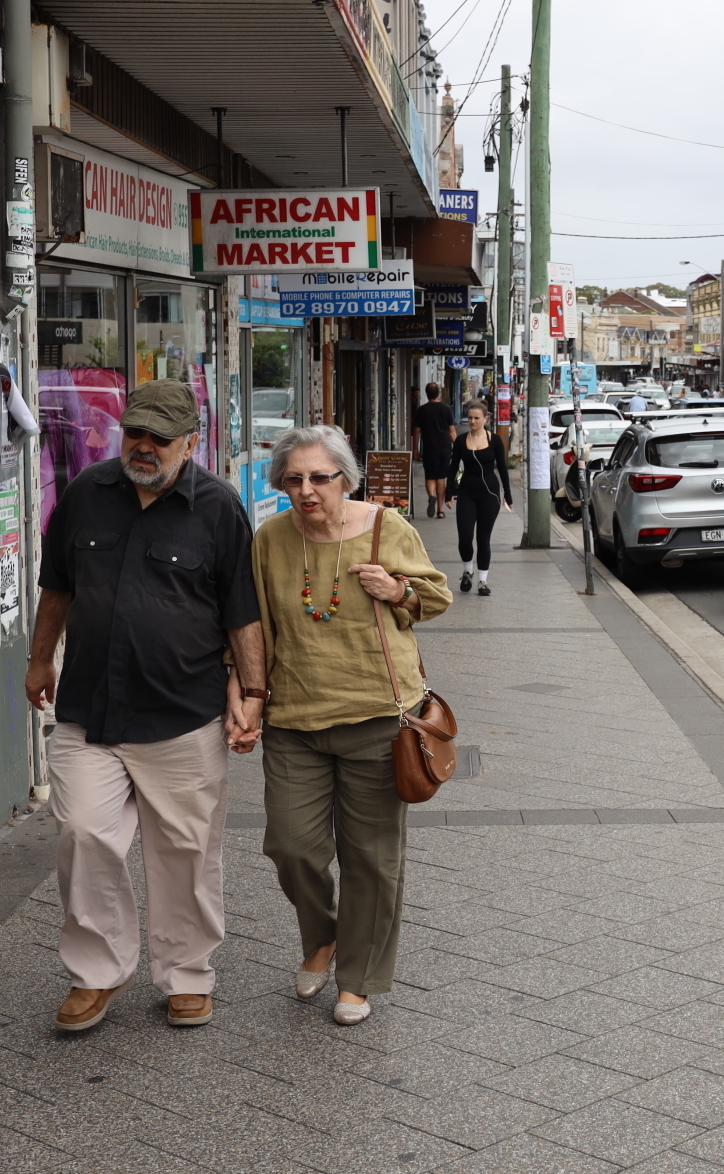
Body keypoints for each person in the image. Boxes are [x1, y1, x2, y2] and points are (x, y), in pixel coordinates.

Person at [26, 380, 262, 1033]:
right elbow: (56, 588)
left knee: (184, 851)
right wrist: (40, 657)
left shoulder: (219, 509)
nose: (145, 446)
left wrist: (252, 691)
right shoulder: (84, 497)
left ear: (191, 442)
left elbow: (243, 613)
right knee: (83, 832)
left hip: (182, 713)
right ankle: (98, 971)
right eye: (136, 432)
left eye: (161, 436)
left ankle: (187, 974)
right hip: (88, 711)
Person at [234, 425, 452, 1025]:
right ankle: (323, 936)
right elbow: (252, 622)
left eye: (318, 478)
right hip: (296, 719)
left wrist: (397, 588)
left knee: (371, 858)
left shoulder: (387, 529)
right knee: (290, 845)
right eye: (292, 479)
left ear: (345, 480)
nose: (305, 491)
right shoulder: (270, 539)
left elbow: (436, 598)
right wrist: (247, 692)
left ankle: (357, 976)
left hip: (379, 718)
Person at [445, 400, 514, 595]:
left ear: (485, 418)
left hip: (489, 495)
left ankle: (483, 581)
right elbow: (453, 467)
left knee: (483, 539)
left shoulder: (495, 441)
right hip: (467, 493)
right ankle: (468, 570)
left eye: (477, 418)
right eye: (470, 418)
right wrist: (450, 492)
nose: (473, 421)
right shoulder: (460, 440)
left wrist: (508, 495)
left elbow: (502, 468)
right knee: (465, 538)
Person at [411, 383, 456, 518]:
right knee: (441, 477)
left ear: (426, 393)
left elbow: (417, 430)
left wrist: (415, 448)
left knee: (430, 475)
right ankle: (440, 511)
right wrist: (460, 445)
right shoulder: (446, 409)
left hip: (429, 447)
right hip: (444, 447)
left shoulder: (422, 410)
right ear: (438, 393)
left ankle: (431, 496)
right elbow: (451, 430)